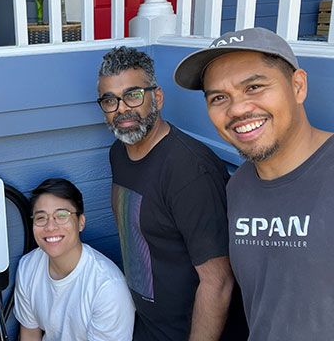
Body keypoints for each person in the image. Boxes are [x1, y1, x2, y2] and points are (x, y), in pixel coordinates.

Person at [174, 27, 334, 340]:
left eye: (254, 87)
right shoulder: (240, 185)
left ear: (298, 86)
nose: (236, 109)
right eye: (219, 97)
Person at [97, 46, 239, 341]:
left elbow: (219, 282)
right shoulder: (119, 153)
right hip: (142, 323)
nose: (121, 108)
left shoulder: (189, 170)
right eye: (110, 100)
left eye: (133, 95)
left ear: (157, 98)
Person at [14, 178, 135, 340]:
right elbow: (29, 333)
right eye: (41, 218)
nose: (50, 227)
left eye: (61, 215)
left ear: (80, 223)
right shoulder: (28, 267)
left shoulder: (107, 288)